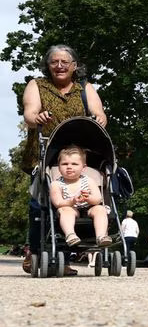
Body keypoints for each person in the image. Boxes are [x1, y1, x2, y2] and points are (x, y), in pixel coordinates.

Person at [20, 44, 108, 276]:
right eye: (54, 62)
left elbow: (100, 112)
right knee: (40, 203)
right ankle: (36, 252)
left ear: (74, 66)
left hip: (78, 154)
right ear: (47, 65)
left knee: (73, 203)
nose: (59, 66)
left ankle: (63, 256)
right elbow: (29, 112)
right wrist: (36, 117)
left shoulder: (84, 87)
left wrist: (99, 117)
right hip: (46, 151)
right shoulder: (37, 85)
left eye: (64, 62)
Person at [50, 145, 111, 251]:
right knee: (65, 210)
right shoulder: (56, 184)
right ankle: (70, 234)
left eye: (74, 164)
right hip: (70, 208)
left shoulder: (89, 181)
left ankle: (101, 236)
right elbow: (58, 202)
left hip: (89, 208)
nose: (69, 167)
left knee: (100, 209)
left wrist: (88, 198)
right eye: (64, 164)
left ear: (83, 168)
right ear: (59, 168)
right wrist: (72, 201)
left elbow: (98, 199)